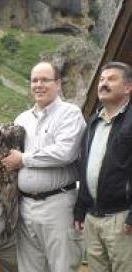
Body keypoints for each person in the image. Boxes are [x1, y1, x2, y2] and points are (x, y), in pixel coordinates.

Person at [0, 62, 86, 272]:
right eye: (34, 80)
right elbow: (10, 158)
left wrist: (23, 159)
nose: (38, 85)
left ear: (58, 84)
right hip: (25, 206)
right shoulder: (22, 118)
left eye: (45, 80)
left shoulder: (70, 113)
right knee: (29, 268)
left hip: (58, 204)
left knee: (62, 266)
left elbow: (65, 152)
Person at [74, 61, 132, 272]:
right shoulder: (92, 122)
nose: (103, 83)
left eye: (111, 79)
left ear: (128, 87)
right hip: (93, 217)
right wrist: (80, 209)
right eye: (101, 79)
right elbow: (85, 166)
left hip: (122, 219)